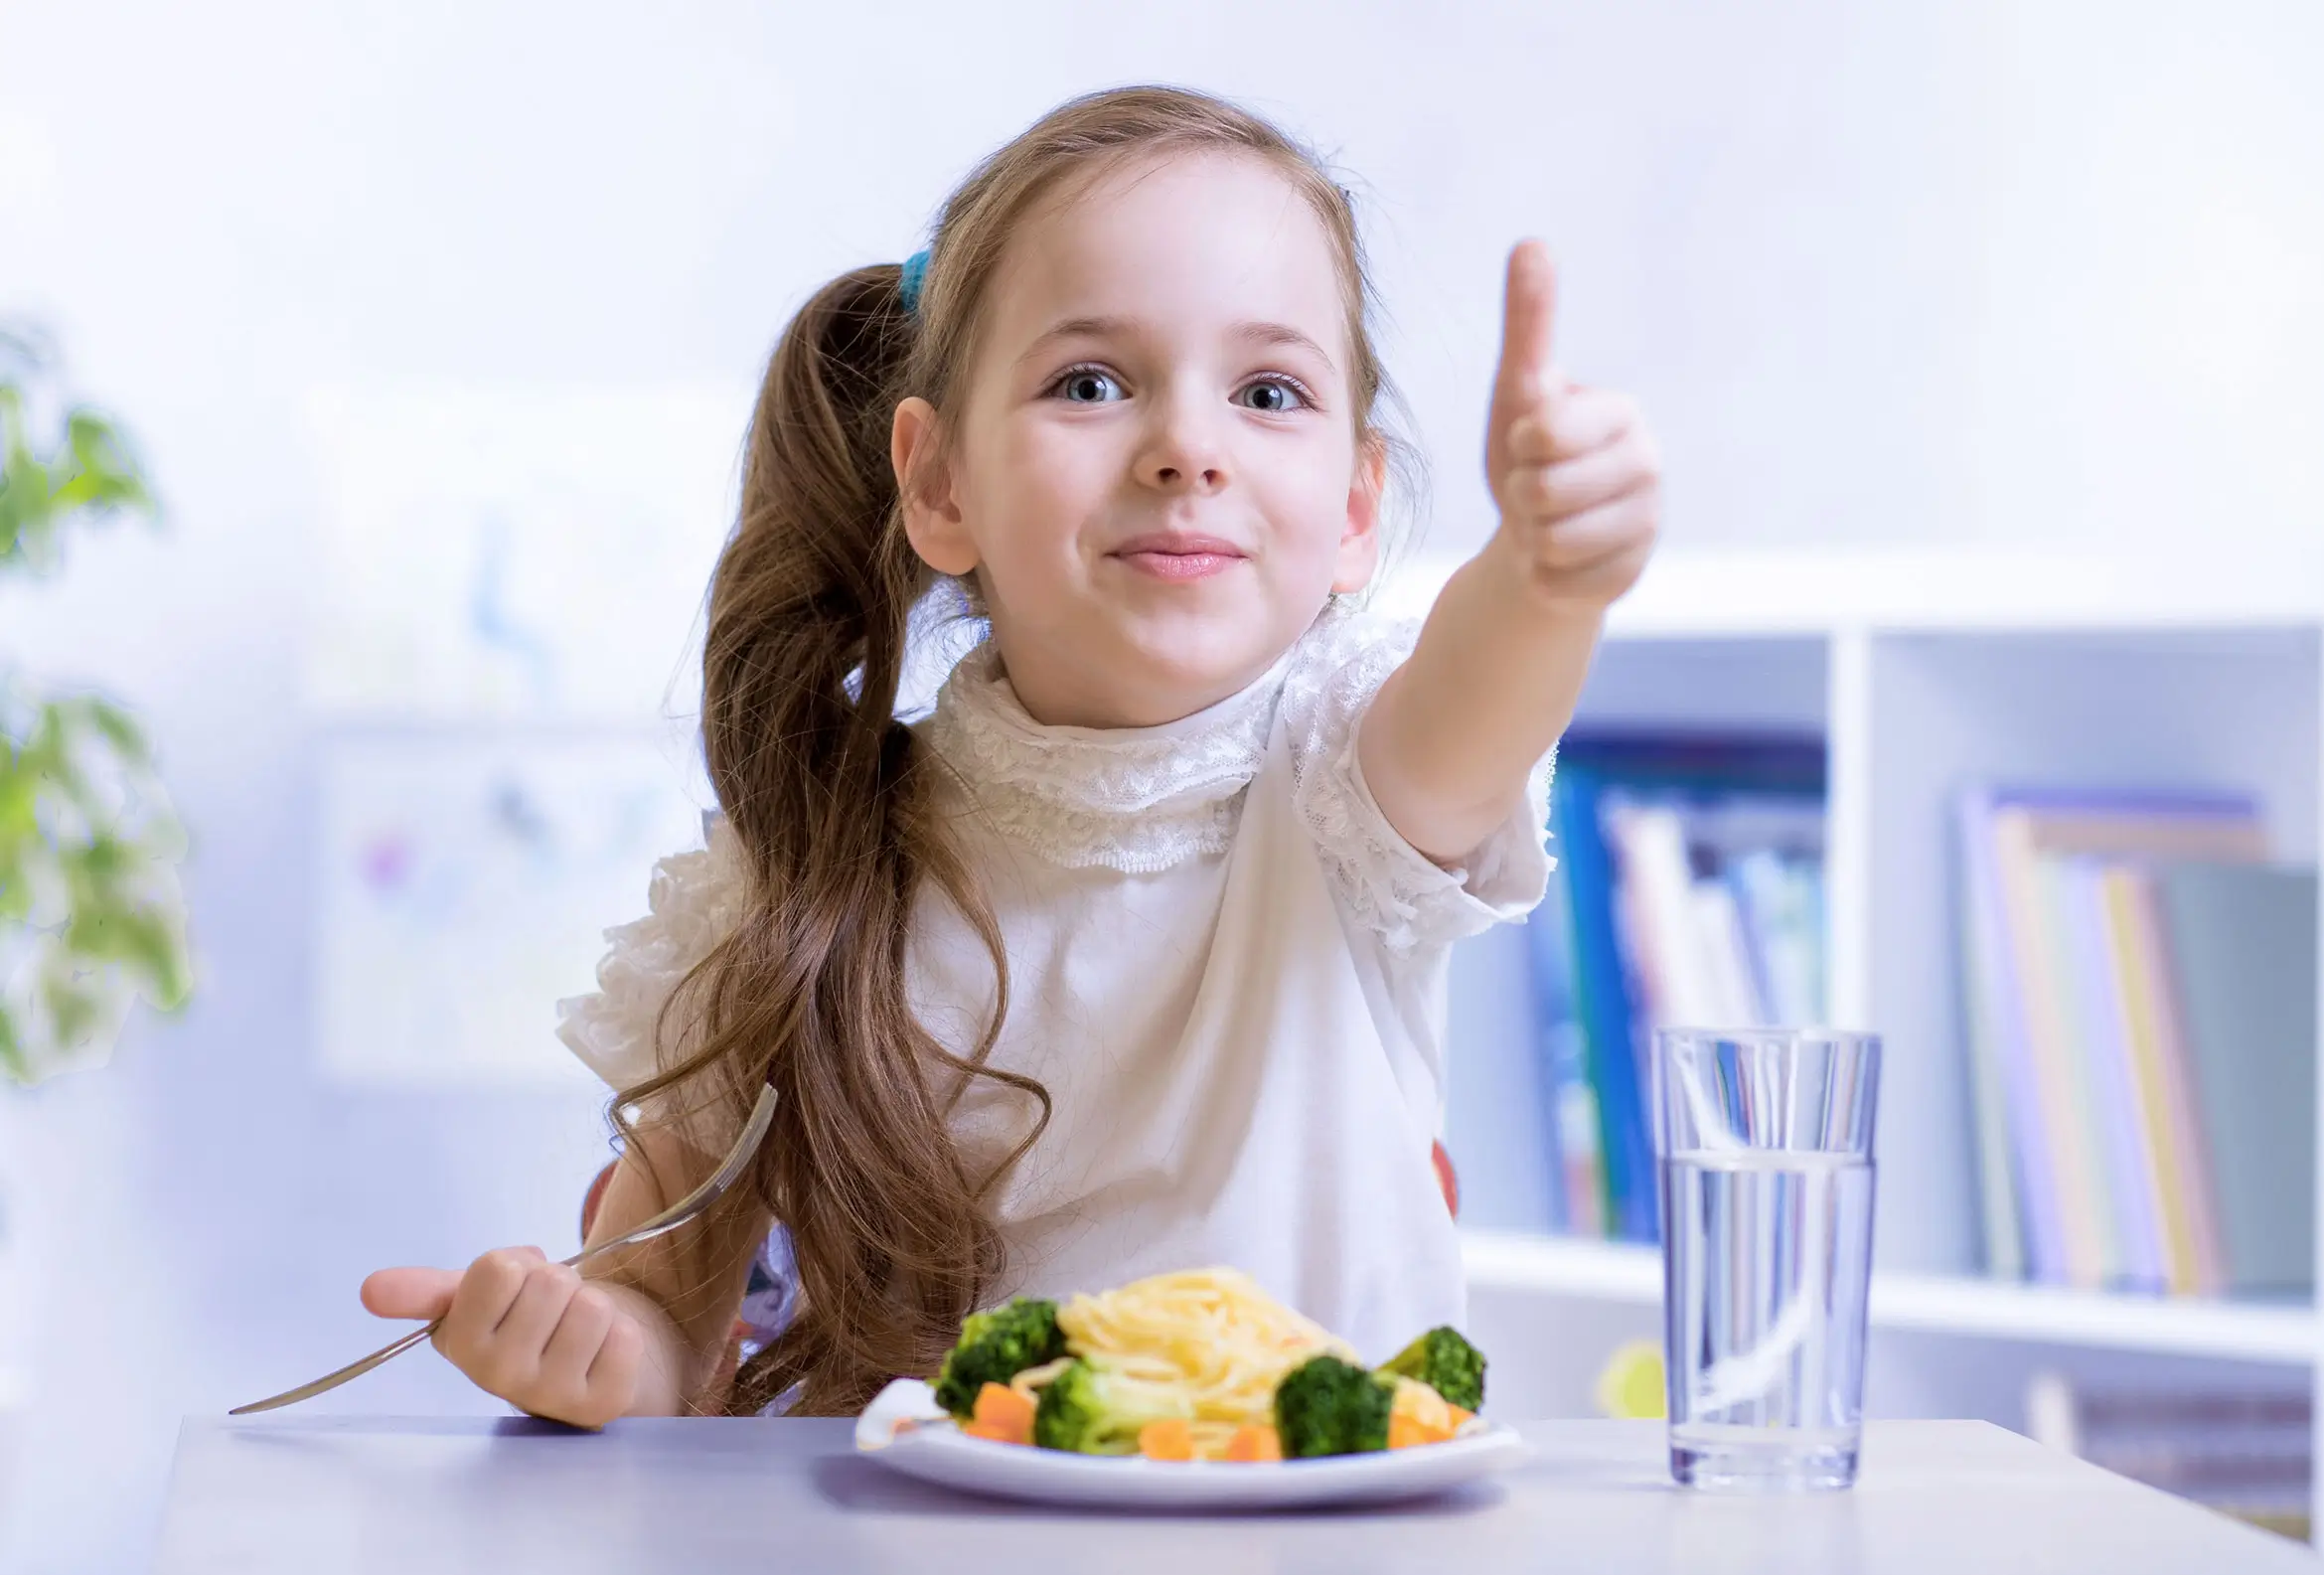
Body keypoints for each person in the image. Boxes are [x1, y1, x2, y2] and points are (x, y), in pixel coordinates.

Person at [359, 83, 1658, 1426]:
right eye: (1090, 383)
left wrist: (1551, 575)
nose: (1187, 450)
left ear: (1353, 506)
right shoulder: (808, 861)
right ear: (937, 482)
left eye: (1268, 391)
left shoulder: (1350, 785)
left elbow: (1476, 705)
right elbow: (664, 1324)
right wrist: (584, 1346)